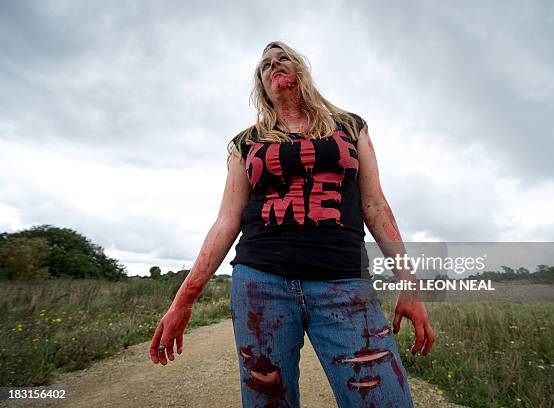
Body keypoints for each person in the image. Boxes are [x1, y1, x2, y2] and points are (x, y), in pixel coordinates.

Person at [149, 40, 435, 407]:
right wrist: (183, 301)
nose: (274, 65)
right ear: (262, 85)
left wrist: (409, 284)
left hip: (343, 283)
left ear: (301, 69)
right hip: (260, 284)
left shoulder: (350, 126)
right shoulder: (246, 143)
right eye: (265, 65)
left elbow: (375, 204)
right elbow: (226, 221)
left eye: (282, 58)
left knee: (385, 400)